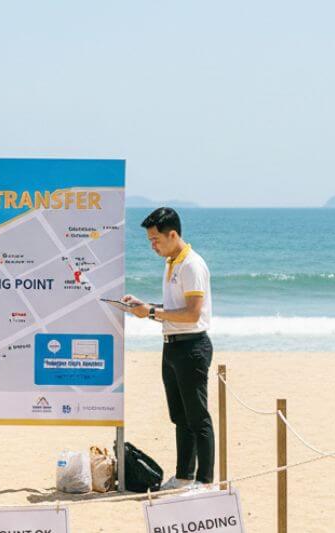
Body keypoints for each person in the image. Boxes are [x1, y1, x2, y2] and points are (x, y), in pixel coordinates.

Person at [122, 207, 214, 490]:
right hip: (172, 346)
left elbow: (192, 314)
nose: (153, 245)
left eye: (155, 240)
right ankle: (184, 475)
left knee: (198, 418)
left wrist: (150, 312)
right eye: (150, 240)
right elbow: (173, 309)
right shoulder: (172, 262)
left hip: (191, 345)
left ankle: (205, 480)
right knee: (180, 417)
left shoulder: (192, 265)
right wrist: (144, 306)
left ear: (172, 234)